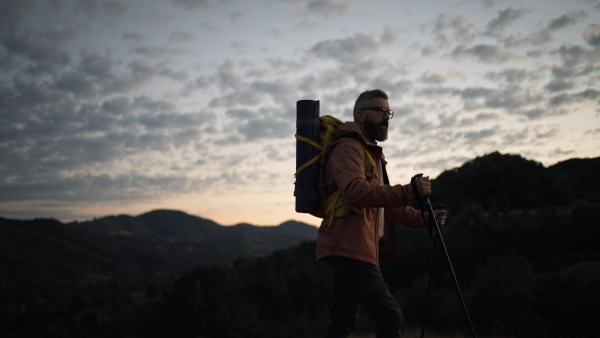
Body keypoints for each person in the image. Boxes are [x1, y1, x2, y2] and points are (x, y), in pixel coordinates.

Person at [316, 89, 447, 338]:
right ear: (360, 115)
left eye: (388, 112)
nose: (386, 117)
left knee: (341, 324)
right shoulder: (348, 149)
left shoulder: (371, 154)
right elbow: (355, 192)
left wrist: (426, 219)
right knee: (389, 318)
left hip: (355, 248)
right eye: (380, 111)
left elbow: (388, 204)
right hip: (349, 247)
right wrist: (410, 191)